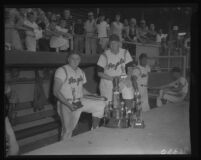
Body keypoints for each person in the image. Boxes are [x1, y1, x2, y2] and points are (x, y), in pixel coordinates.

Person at [53, 51, 106, 140]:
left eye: (77, 58)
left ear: (80, 60)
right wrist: (68, 105)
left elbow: (81, 89)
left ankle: (94, 131)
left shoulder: (81, 71)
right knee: (68, 130)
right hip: (65, 103)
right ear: (68, 59)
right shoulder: (62, 70)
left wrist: (93, 95)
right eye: (73, 58)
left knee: (101, 104)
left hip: (79, 101)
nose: (75, 60)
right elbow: (56, 91)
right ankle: (63, 151)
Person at [97, 34, 133, 102]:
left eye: (114, 43)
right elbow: (99, 73)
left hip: (122, 79)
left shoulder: (125, 52)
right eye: (111, 43)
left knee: (129, 93)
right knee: (108, 105)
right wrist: (114, 80)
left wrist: (128, 78)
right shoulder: (104, 55)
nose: (112, 45)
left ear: (119, 43)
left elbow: (130, 67)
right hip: (108, 81)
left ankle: (129, 111)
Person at [5, 85, 19, 156]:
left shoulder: (7, 88)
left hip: (5, 118)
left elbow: (10, 92)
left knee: (13, 149)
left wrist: (12, 107)